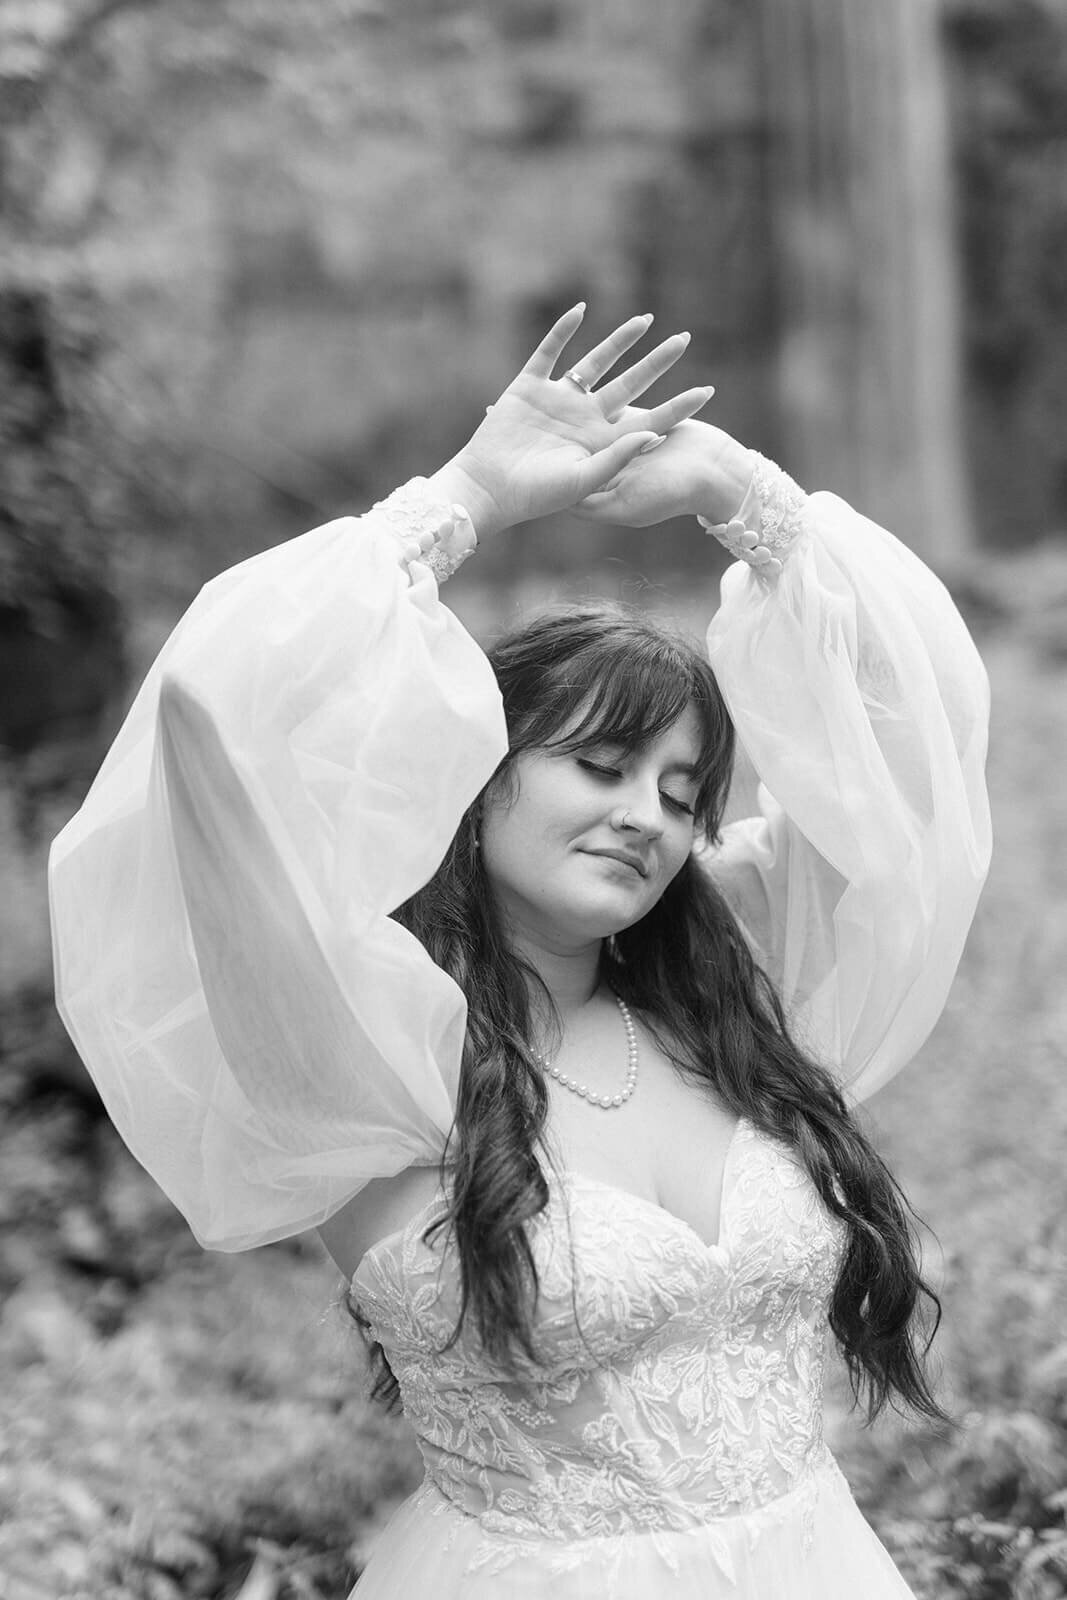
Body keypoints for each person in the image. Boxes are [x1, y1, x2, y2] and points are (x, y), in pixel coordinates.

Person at [48, 305, 991, 1599]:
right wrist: (466, 498)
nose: (646, 816)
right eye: (600, 766)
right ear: (477, 774)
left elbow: (915, 760)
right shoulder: (376, 1048)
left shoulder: (735, 992)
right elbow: (214, 714)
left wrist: (743, 494)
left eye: (678, 792)